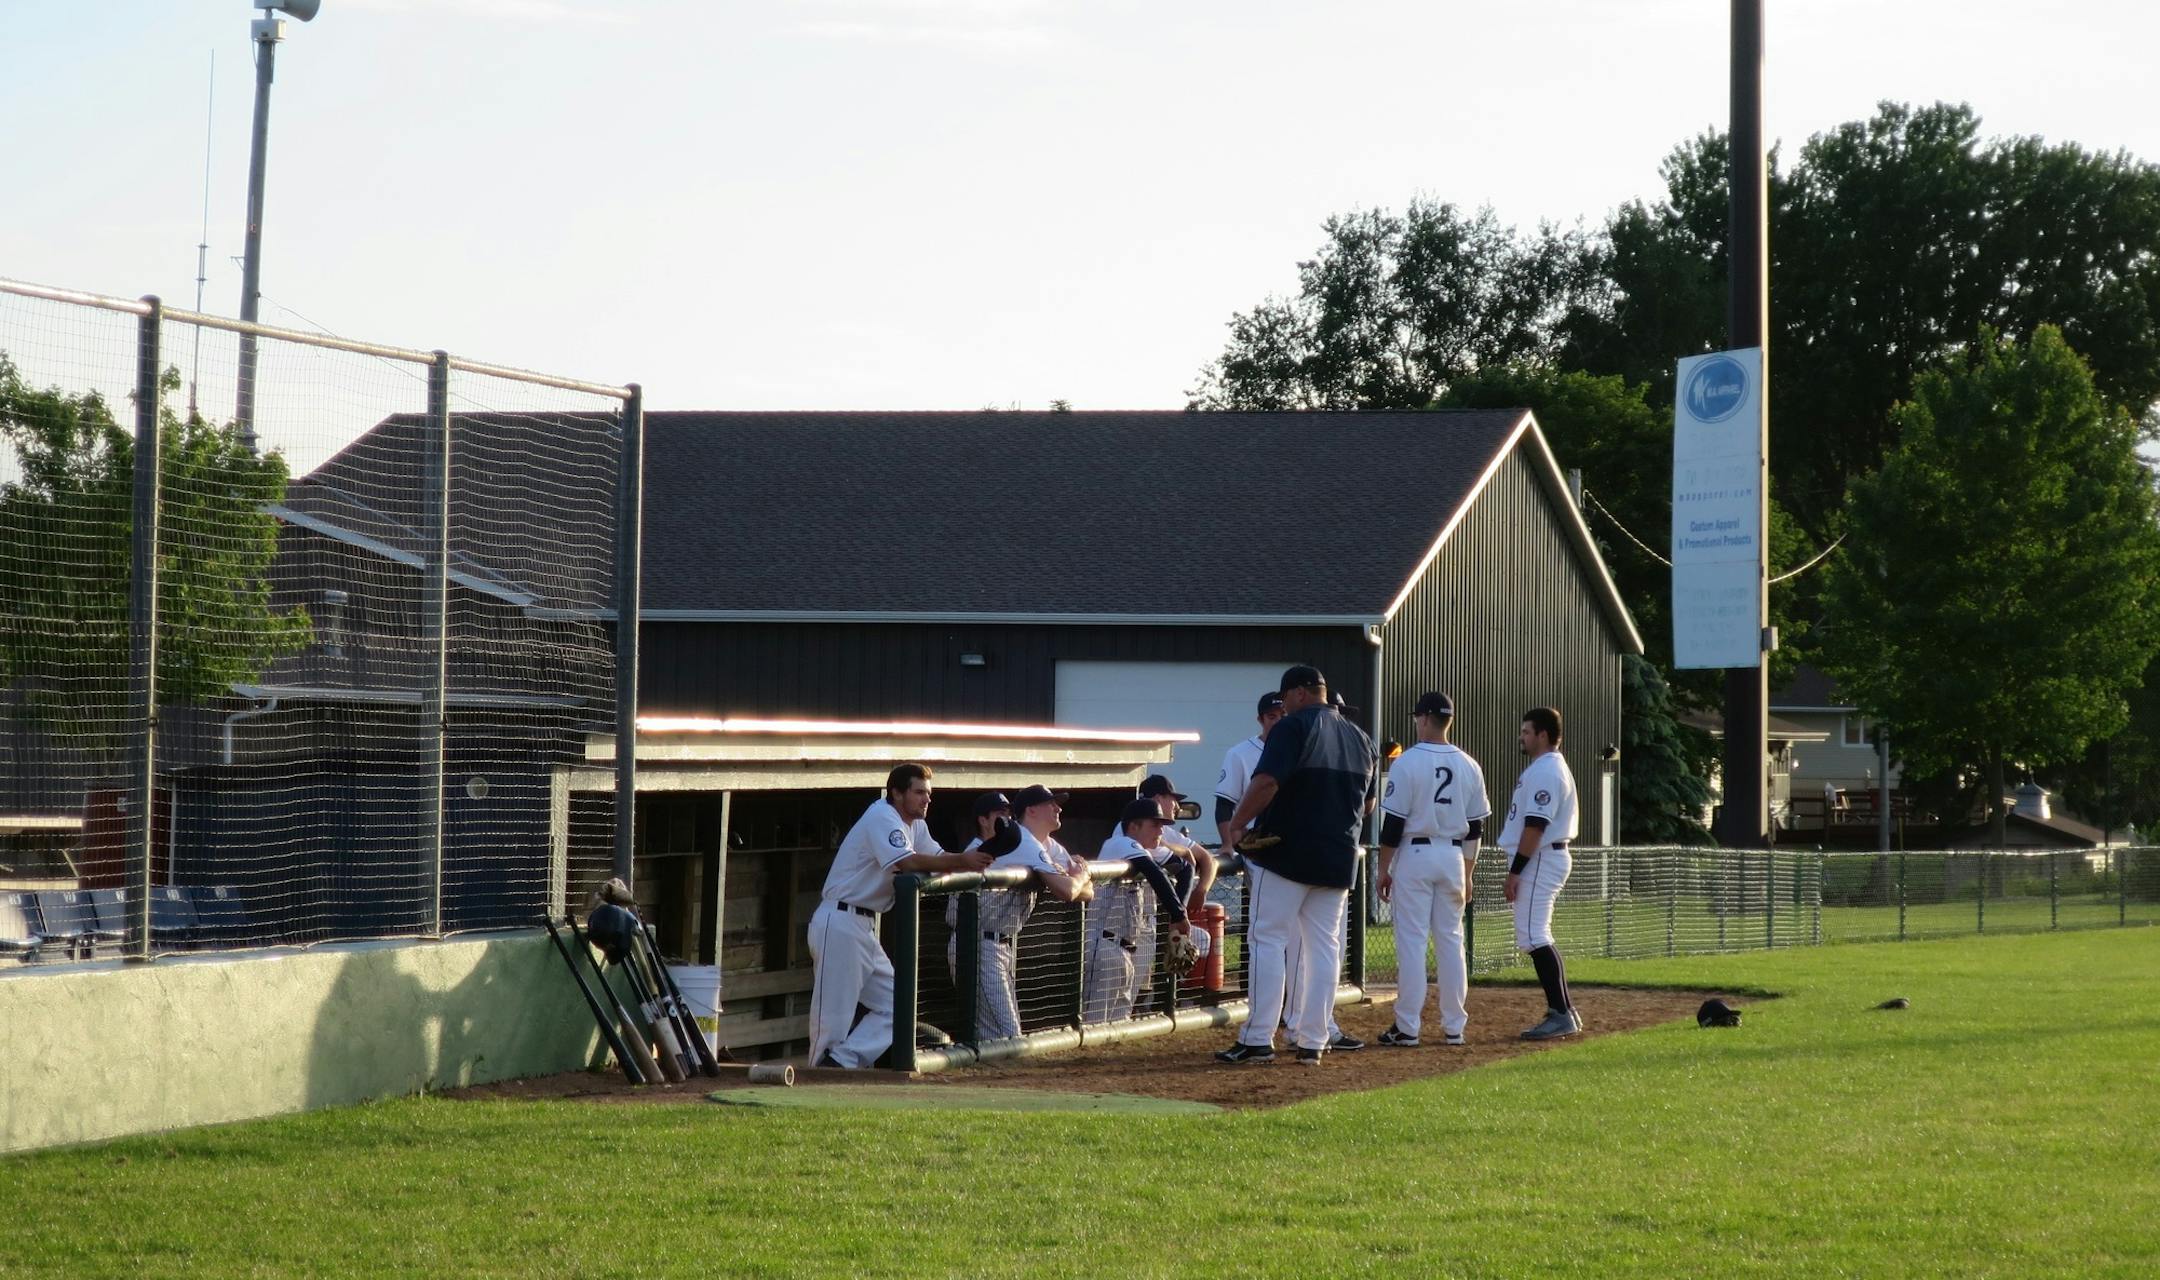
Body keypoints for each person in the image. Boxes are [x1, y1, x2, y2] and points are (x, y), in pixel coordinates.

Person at [1215, 665, 1379, 1066]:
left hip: (1287, 852)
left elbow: (1267, 782)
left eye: (1286, 697)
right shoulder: (1361, 738)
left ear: (1300, 694)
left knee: (1267, 939)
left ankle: (1257, 1037)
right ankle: (1314, 1037)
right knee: (1324, 947)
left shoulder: (1293, 727)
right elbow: (1369, 803)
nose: (1284, 705)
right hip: (1338, 855)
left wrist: (1238, 824)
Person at [808, 763, 992, 1068]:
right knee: (833, 1017)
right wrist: (963, 860)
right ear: (897, 793)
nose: (926, 799)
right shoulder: (882, 815)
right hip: (839, 918)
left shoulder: (915, 825)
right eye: (919, 792)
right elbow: (906, 863)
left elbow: (934, 859)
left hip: (864, 924)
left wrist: (972, 860)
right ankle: (813, 1080)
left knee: (899, 1003)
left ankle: (840, 1063)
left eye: (929, 794)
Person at [1375, 691, 1490, 1048]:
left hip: (1417, 853)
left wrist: (1383, 868)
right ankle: (1454, 1027)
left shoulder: (1407, 762)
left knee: (1412, 942)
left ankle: (1407, 1027)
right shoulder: (1469, 764)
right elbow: (1476, 828)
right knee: (1451, 941)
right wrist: (1468, 873)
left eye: (1417, 717)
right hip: (1454, 856)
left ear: (1425, 718)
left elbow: (1393, 824)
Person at [974, 783, 1092, 1041]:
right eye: (1051, 803)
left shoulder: (1047, 844)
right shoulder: (1022, 839)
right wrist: (1079, 875)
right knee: (1007, 1036)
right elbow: (1068, 891)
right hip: (978, 941)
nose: (1057, 807)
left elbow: (1087, 892)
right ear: (1031, 811)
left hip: (999, 943)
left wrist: (1076, 879)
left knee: (995, 1037)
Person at [1499, 706, 1582, 1040]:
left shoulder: (1547, 770)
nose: (1521, 736)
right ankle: (1564, 1010)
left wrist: (1515, 872)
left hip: (1541, 858)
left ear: (1543, 735)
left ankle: (1560, 1012)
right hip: (1544, 857)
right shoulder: (1544, 768)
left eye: (1526, 731)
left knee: (1534, 936)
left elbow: (1536, 825)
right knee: (1537, 934)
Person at [1083, 797, 1194, 1022]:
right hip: (1103, 944)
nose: (1161, 831)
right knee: (1094, 1022)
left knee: (1120, 1022)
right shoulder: (1119, 843)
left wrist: (1178, 911)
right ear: (1133, 826)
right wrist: (1179, 915)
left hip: (1126, 949)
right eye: (1155, 824)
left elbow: (1185, 869)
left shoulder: (1145, 849)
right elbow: (1153, 872)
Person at [946, 792, 1013, 983]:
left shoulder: (1003, 850)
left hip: (998, 944)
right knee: (1000, 1014)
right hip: (974, 943)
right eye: (1001, 813)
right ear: (983, 820)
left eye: (1009, 813)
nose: (1007, 818)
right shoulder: (976, 853)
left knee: (993, 1013)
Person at [1139, 774, 1218, 917]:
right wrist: (1185, 852)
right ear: (1158, 799)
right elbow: (1152, 843)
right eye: (1173, 799)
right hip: (1119, 920)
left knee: (1200, 937)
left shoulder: (1165, 830)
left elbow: (1209, 859)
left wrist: (1201, 890)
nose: (1176, 806)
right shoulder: (1132, 827)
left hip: (1148, 915)